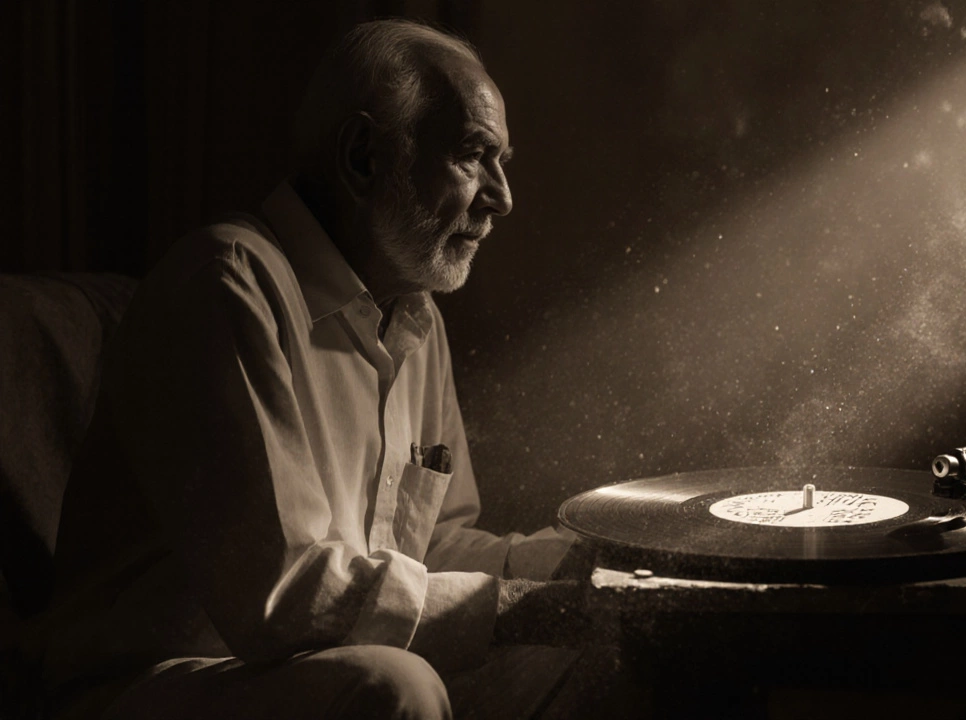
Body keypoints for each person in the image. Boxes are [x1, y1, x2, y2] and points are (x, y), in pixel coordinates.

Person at [43, 19, 588, 720]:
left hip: (299, 671)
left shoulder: (416, 315)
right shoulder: (225, 283)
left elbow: (431, 548)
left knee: (585, 654)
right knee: (396, 687)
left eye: (501, 161)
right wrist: (533, 608)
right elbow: (286, 593)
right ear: (364, 156)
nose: (502, 196)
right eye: (474, 156)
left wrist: (580, 567)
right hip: (143, 684)